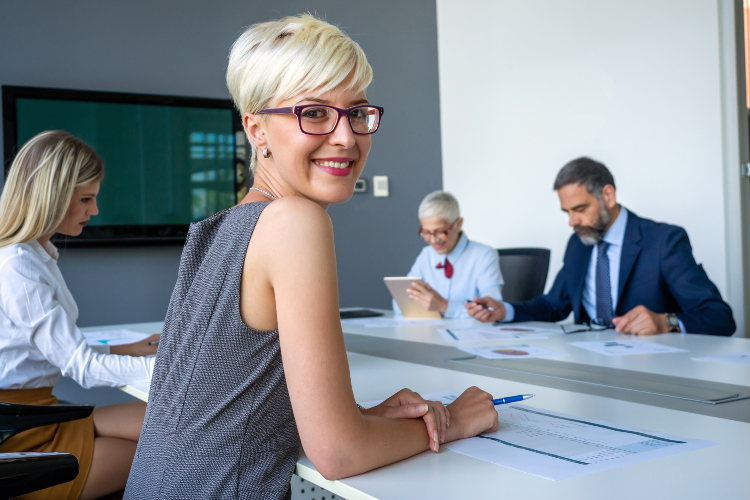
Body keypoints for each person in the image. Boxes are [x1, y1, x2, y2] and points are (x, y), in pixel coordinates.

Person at [125, 15, 498, 499]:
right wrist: (453, 421)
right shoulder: (296, 221)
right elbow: (339, 454)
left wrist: (361, 417)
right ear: (256, 128)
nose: (346, 136)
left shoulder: (218, 230)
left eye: (357, 112)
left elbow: (229, 407)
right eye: (315, 113)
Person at [0, 130, 159, 499]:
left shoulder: (37, 254)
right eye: (86, 199)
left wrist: (123, 351)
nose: (95, 210)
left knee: (174, 425)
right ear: (51, 198)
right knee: (168, 454)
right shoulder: (16, 266)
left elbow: (43, 348)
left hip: (42, 415)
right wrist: (168, 369)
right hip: (20, 436)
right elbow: (80, 367)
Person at [466, 157, 736, 336]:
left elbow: (720, 317)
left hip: (651, 370)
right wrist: (505, 310)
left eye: (580, 209)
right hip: (589, 365)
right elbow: (554, 305)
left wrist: (666, 322)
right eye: (566, 212)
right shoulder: (579, 243)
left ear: (608, 195)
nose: (572, 221)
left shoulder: (663, 241)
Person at [394, 190, 503, 318]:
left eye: (440, 232)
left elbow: (492, 309)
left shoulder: (484, 255)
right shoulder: (426, 255)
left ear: (459, 224)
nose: (434, 240)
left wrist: (444, 306)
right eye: (426, 232)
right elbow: (400, 304)